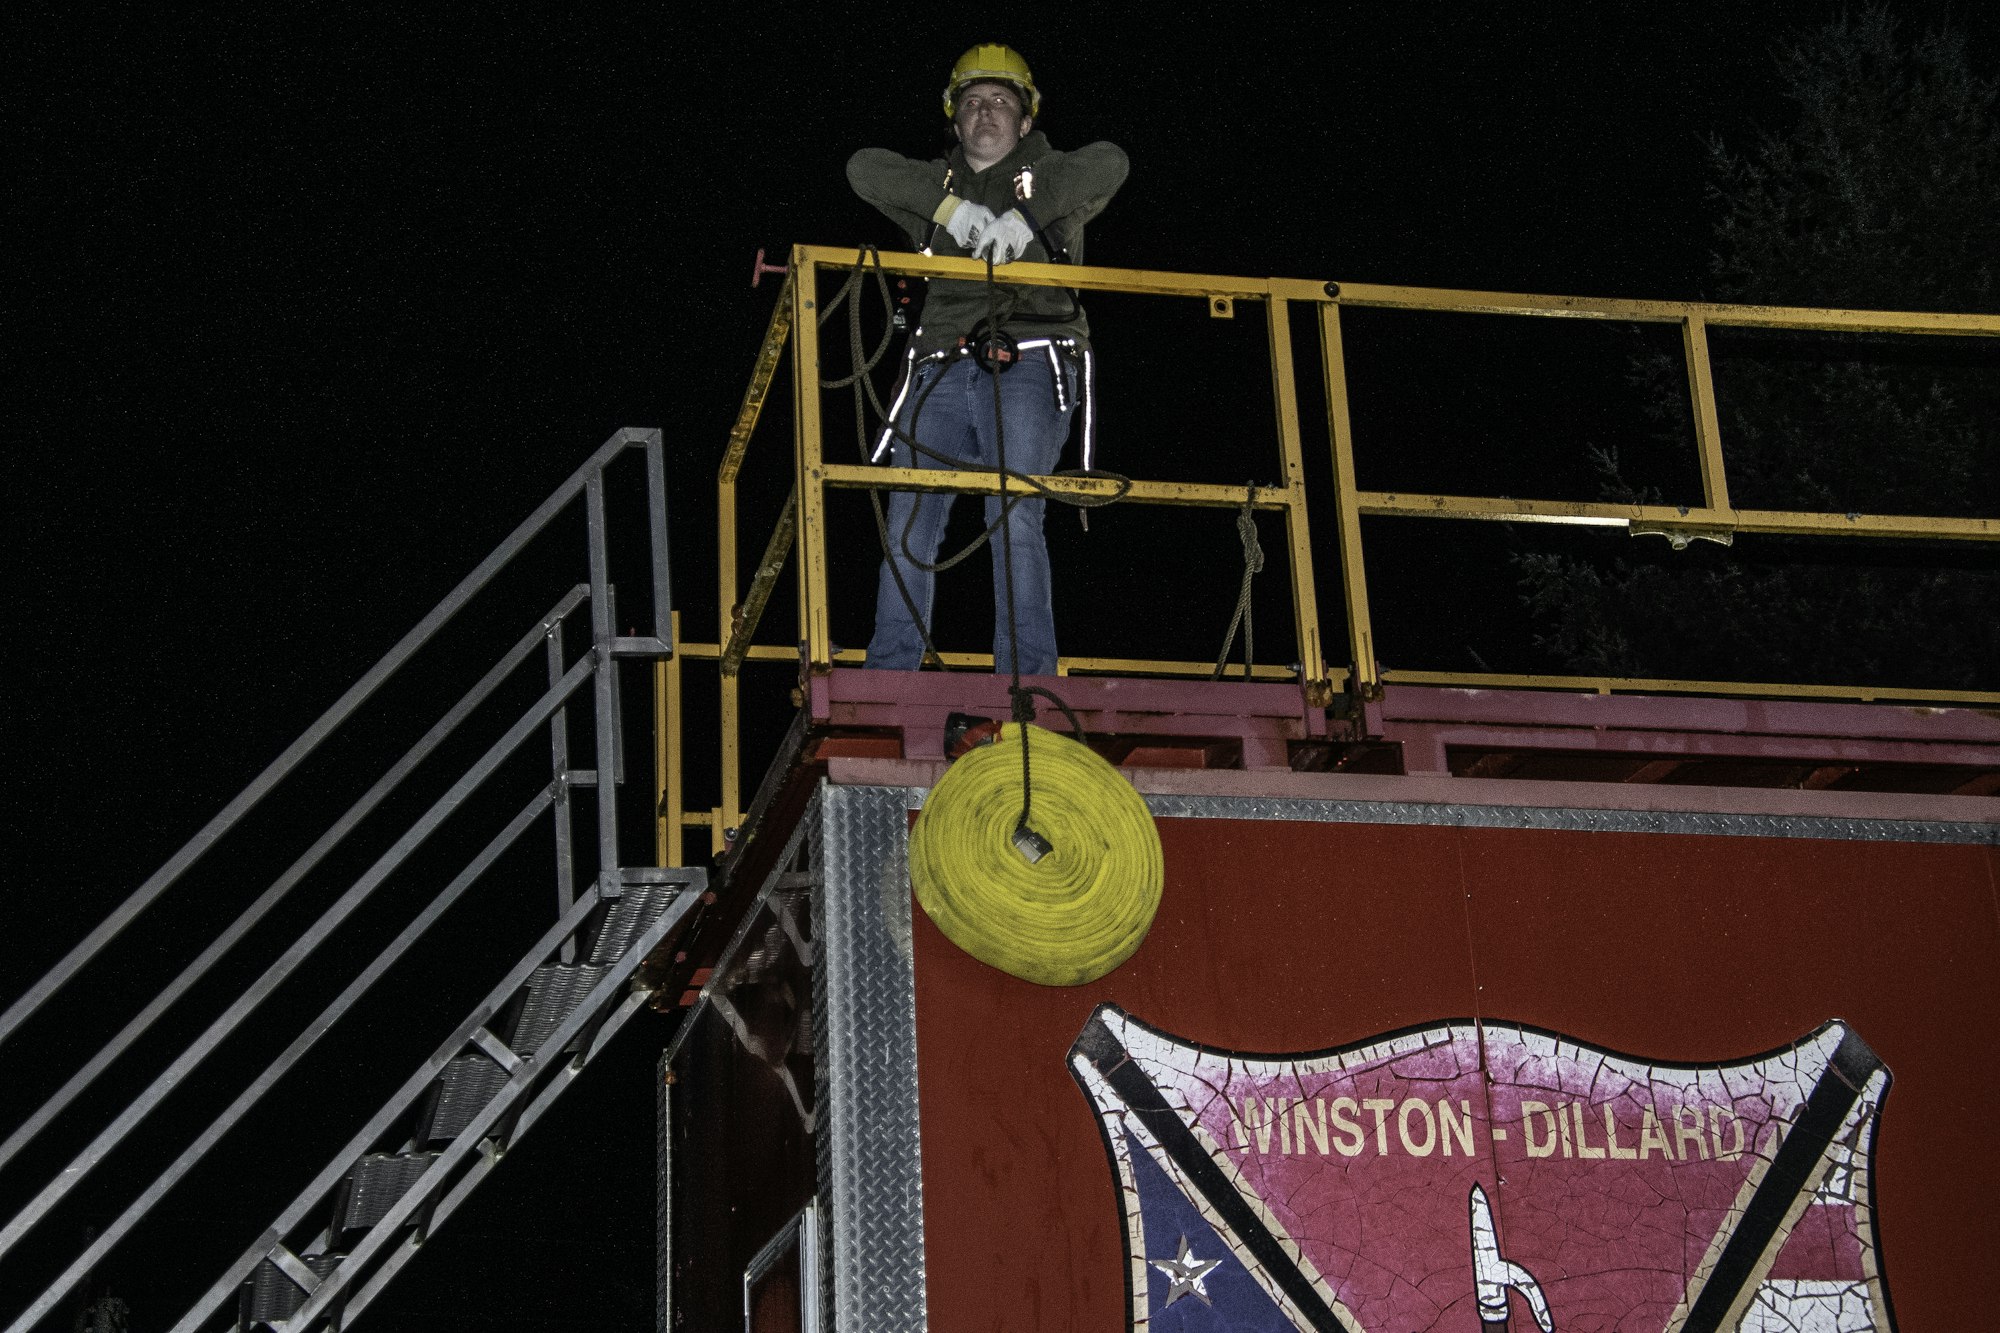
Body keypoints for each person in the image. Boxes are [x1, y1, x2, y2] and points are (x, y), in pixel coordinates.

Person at [848, 43, 1128, 676]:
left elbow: (1111, 161)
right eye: (972, 101)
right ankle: (890, 674)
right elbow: (863, 168)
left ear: (1026, 120)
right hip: (939, 366)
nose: (985, 112)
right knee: (909, 519)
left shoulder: (1051, 174)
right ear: (955, 119)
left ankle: (1025, 680)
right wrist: (952, 211)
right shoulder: (938, 184)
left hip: (1031, 356)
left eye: (1001, 101)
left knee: (1015, 516)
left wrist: (1025, 219)